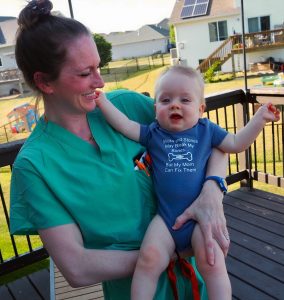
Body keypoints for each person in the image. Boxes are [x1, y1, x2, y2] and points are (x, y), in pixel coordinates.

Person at [9, 1, 230, 299]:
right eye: (85, 73)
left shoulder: (127, 107)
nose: (100, 81)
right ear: (44, 81)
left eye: (98, 67)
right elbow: (77, 267)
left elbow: (212, 142)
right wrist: (168, 253)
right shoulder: (34, 166)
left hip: (198, 286)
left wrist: (212, 191)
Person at [94, 65, 280, 300]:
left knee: (212, 263)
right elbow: (124, 124)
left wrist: (259, 118)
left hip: (199, 220)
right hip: (166, 219)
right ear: (155, 108)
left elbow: (235, 143)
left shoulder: (206, 131)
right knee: (148, 259)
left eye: (185, 99)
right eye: (165, 100)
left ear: (201, 109)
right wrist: (103, 103)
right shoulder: (153, 133)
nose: (174, 104)